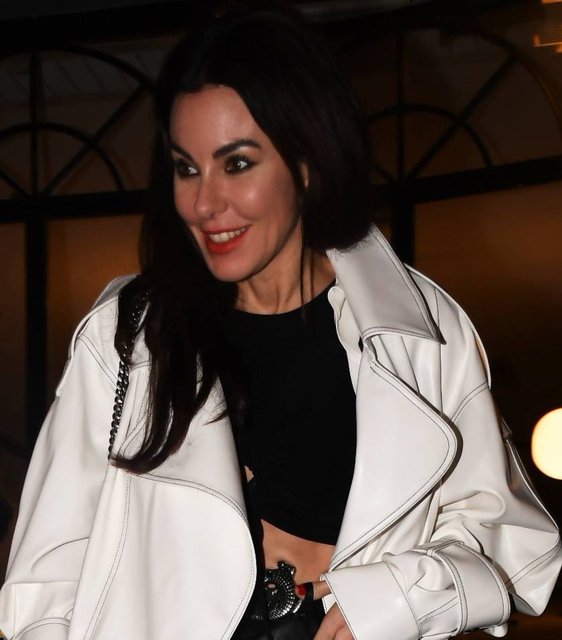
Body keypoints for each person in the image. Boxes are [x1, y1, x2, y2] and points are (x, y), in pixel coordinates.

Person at [0, 6, 560, 640]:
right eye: (186, 167)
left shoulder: (420, 334)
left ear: (307, 161)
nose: (203, 203)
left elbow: (515, 550)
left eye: (236, 163)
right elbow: (42, 589)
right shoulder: (130, 341)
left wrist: (401, 598)